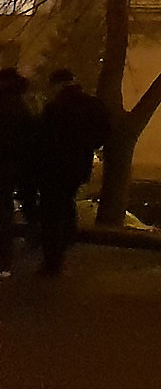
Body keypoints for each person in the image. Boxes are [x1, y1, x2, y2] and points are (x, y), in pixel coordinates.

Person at [34, 68, 111, 277]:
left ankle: (53, 258)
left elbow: (44, 139)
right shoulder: (93, 105)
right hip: (78, 165)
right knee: (67, 201)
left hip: (54, 166)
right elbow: (103, 134)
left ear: (57, 85)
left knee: (52, 210)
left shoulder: (56, 107)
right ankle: (66, 239)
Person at [0, 68, 34, 273]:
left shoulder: (5, 106)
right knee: (4, 212)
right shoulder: (22, 107)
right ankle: (4, 261)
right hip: (11, 167)